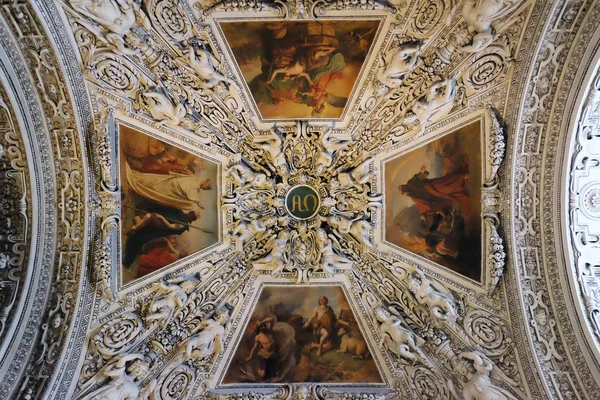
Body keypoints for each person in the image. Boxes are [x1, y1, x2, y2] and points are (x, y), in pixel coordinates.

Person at [398, 156, 471, 219]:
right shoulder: (413, 197)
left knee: (445, 183)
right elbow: (422, 205)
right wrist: (423, 214)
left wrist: (422, 172)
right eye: (402, 189)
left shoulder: (410, 183)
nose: (403, 187)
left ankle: (462, 177)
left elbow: (418, 178)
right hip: (433, 195)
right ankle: (460, 183)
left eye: (402, 186)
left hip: (430, 185)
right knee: (447, 192)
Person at [126, 163, 212, 210]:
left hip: (171, 186)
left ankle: (136, 181)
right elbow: (190, 194)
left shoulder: (195, 180)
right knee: (153, 185)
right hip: (170, 186)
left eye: (206, 189)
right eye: (206, 188)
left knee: (152, 183)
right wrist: (198, 203)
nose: (205, 189)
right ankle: (136, 182)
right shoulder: (195, 184)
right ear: (205, 184)